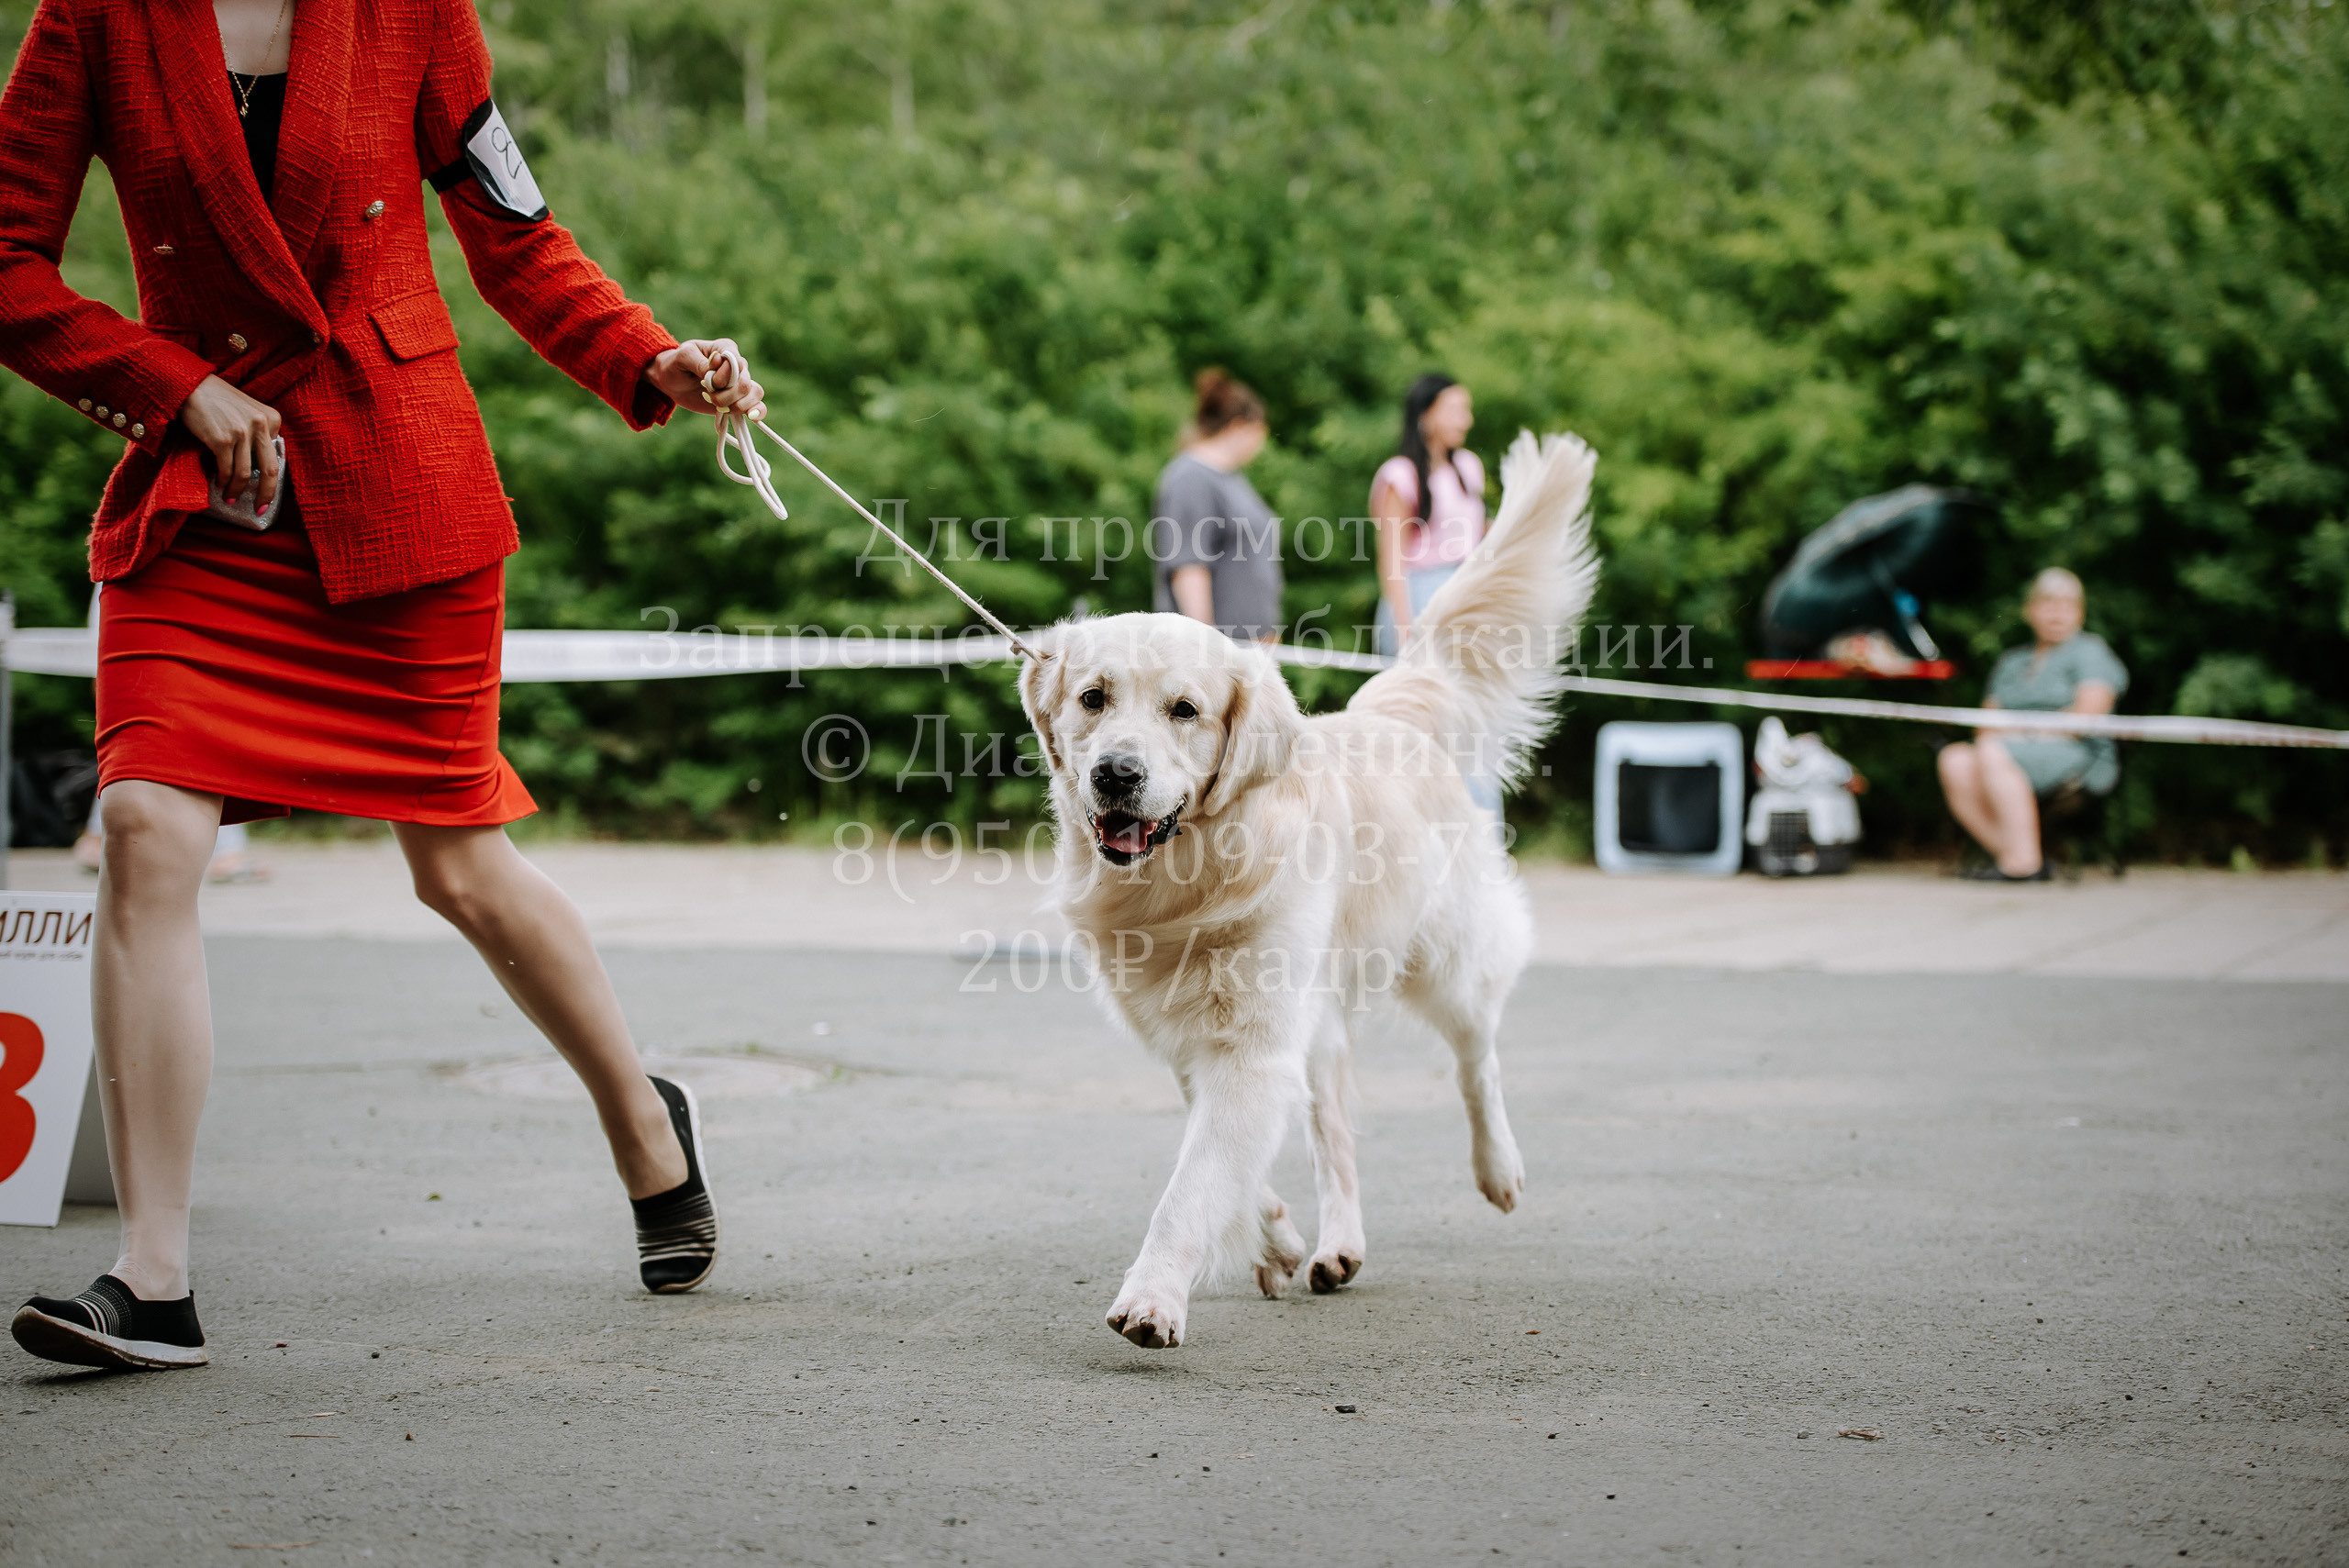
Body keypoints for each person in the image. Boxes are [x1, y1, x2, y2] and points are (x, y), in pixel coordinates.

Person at [1, 0, 760, 1371]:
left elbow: (513, 232)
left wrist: (644, 354)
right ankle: (152, 1276)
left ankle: (645, 1119)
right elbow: (3, 259)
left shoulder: (413, 11)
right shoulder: (97, 15)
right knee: (144, 825)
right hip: (206, 495)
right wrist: (173, 386)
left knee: (460, 868)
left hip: (400, 479)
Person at [1937, 569, 2128, 882]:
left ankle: (2021, 862)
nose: (2058, 613)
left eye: (2068, 604)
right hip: (2005, 751)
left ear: (2080, 612)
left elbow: (2088, 715)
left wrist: (2022, 734)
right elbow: (1985, 723)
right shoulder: (2011, 661)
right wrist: (2010, 737)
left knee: (1992, 750)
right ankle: (2020, 857)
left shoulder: (2091, 652)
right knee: (1954, 759)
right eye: (2049, 603)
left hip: (2078, 754)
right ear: (2030, 610)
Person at [1370, 373, 1497, 812]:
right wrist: (1406, 629)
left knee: (1474, 723)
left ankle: (1479, 829)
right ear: (1426, 416)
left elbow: (1474, 540)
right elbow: (1392, 558)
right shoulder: (1399, 475)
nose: (1467, 419)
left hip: (1467, 603)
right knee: (1420, 726)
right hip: (1420, 602)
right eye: (1455, 409)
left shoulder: (1469, 468)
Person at [1149, 370, 1283, 644]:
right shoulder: (1191, 478)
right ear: (1240, 426)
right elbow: (1189, 567)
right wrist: (1206, 646)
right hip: (1214, 652)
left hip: (1246, 650)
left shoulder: (1232, 480)